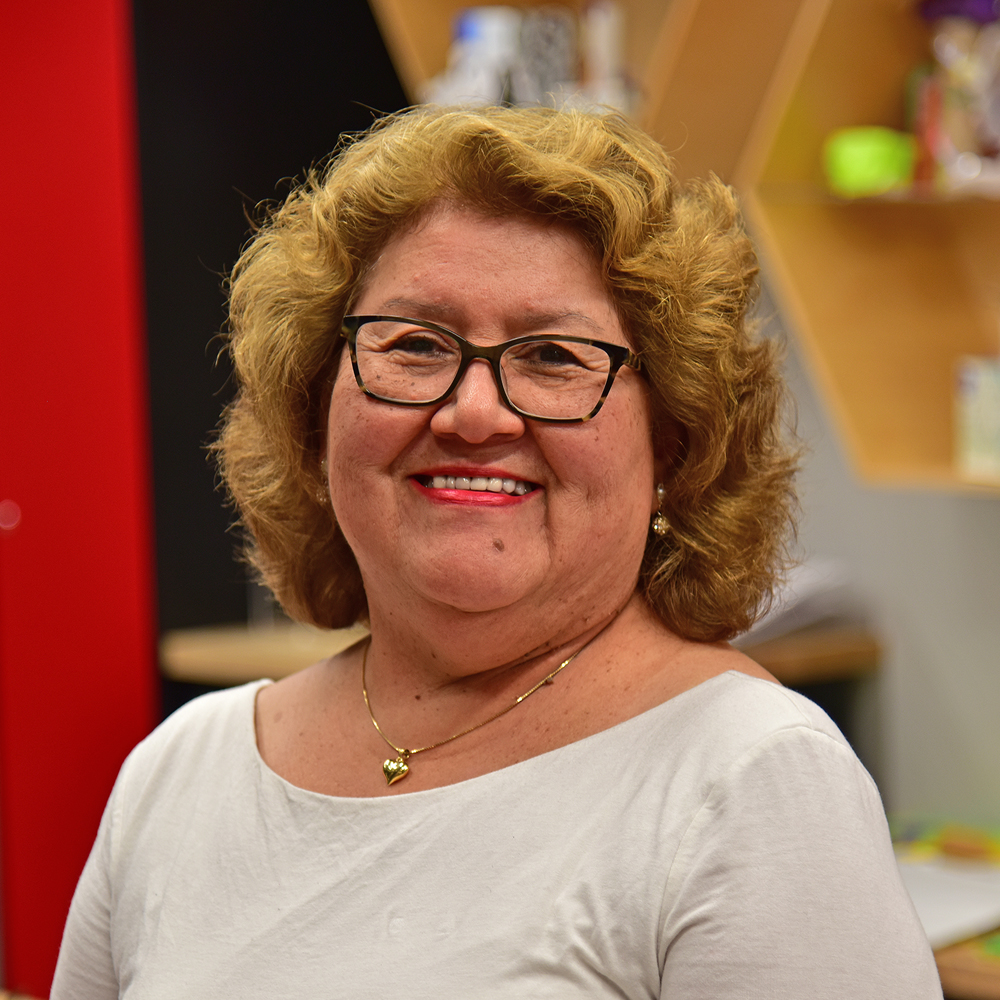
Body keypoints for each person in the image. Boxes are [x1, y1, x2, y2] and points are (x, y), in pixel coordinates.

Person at [52, 105, 942, 998]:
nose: (473, 414)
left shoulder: (752, 780)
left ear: (671, 444)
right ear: (316, 412)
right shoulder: (181, 774)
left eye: (553, 355)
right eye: (414, 345)